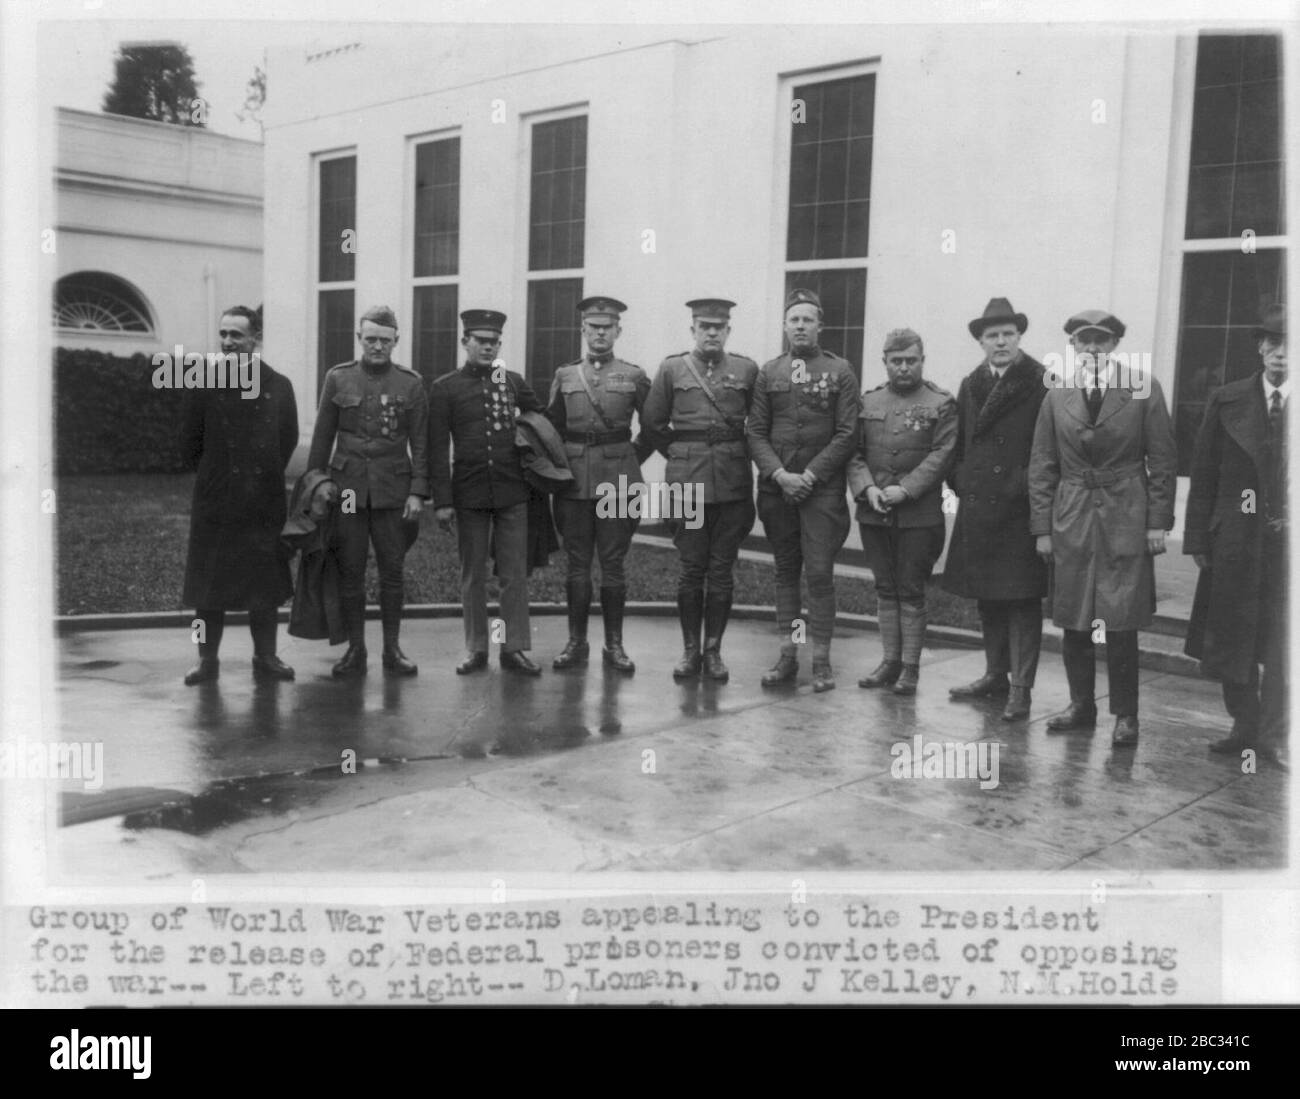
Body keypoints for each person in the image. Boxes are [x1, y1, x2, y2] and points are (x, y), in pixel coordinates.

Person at [1029, 310, 1177, 747]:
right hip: (1072, 513)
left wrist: (1156, 523)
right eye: (1083, 340)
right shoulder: (1057, 395)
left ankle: (1126, 715)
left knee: (1121, 618)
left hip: (1126, 512)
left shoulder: (1142, 388)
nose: (1092, 349)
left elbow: (1164, 462)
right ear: (1072, 346)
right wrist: (1042, 528)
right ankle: (1081, 705)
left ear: (1114, 345)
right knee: (1074, 616)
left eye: (1101, 340)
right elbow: (1042, 465)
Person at [1185, 303, 1289, 770]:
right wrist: (1198, 540)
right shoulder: (1228, 399)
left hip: (1289, 549)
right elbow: (1203, 474)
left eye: (1292, 346)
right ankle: (1244, 726)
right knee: (1232, 634)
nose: (1282, 354)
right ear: (1260, 347)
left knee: (1285, 641)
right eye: (1273, 343)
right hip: (1237, 540)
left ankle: (1276, 735)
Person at [746, 288, 859, 692]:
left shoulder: (840, 371)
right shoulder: (769, 372)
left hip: (821, 492)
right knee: (786, 572)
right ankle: (789, 655)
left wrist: (809, 476)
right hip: (778, 491)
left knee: (820, 574)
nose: (800, 326)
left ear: (820, 326)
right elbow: (755, 432)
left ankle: (823, 660)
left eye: (808, 319)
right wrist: (779, 475)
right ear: (784, 326)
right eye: (794, 319)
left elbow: (848, 433)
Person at [307, 305, 429, 678]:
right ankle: (355, 650)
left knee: (393, 571)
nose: (378, 346)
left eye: (385, 340)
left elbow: (421, 444)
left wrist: (417, 493)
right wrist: (320, 480)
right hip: (347, 491)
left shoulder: (411, 384)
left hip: (393, 491)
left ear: (396, 341)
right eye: (371, 339)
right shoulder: (338, 378)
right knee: (350, 570)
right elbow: (322, 437)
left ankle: (392, 649)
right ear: (360, 339)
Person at [942, 298, 1049, 721]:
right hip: (980, 505)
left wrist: (1021, 484)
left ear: (1019, 336)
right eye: (992, 336)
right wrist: (962, 479)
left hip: (1021, 510)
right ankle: (995, 675)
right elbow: (962, 441)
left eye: (1007, 334)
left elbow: (1048, 448)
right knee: (988, 596)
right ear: (981, 342)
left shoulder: (1042, 381)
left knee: (1022, 600)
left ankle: (1021, 689)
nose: (1001, 342)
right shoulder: (971, 384)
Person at [180, 305, 299, 684]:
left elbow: (288, 438)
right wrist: (219, 474)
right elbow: (188, 443)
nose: (228, 342)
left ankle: (266, 657)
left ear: (255, 339)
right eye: (224, 334)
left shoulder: (279, 385)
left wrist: (259, 475)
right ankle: (206, 660)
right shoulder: (203, 382)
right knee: (205, 588)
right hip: (217, 500)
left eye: (236, 335)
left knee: (263, 587)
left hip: (262, 501)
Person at [642, 298, 758, 682]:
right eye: (704, 326)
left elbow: (758, 425)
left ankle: (714, 652)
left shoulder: (746, 369)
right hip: (686, 485)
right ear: (692, 329)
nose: (711, 332)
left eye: (718, 327)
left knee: (722, 570)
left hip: (732, 484)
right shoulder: (672, 369)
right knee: (692, 570)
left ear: (728, 331)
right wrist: (681, 454)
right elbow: (654, 423)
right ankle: (690, 650)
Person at [429, 309, 544, 676]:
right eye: (480, 340)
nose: (487, 347)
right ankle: (476, 648)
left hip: (512, 491)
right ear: (465, 342)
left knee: (513, 573)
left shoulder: (512, 382)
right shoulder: (445, 388)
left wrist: (529, 450)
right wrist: (443, 502)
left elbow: (540, 421)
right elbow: (435, 449)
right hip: (469, 493)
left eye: (493, 341)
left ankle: (513, 649)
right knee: (473, 574)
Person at [545, 296, 652, 673]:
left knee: (613, 564)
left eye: (607, 327)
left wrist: (629, 455)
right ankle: (576, 642)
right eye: (594, 327)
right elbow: (551, 428)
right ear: (583, 330)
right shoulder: (565, 376)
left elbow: (654, 426)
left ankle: (614, 645)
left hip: (618, 482)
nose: (600, 334)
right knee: (577, 564)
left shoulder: (633, 376)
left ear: (618, 331)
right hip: (573, 483)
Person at [848, 328, 957, 695]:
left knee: (910, 590)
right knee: (884, 588)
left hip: (919, 516)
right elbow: (854, 453)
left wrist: (905, 490)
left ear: (922, 361)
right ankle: (889, 661)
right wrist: (868, 488)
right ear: (885, 363)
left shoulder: (941, 402)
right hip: (874, 511)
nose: (905, 368)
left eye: (911, 360)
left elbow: (942, 454)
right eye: (897, 361)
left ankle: (910, 667)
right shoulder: (869, 401)